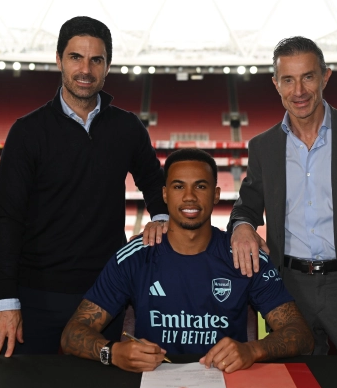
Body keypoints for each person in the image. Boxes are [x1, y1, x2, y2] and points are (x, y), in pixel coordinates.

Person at [0, 16, 169, 357]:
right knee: (32, 384)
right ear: (59, 60)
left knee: (102, 385)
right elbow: (7, 220)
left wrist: (161, 216)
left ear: (107, 66)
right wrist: (5, 300)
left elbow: (155, 182)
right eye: (75, 57)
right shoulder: (27, 132)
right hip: (38, 294)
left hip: (105, 294)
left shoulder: (127, 127)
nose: (85, 69)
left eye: (96, 60)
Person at [61, 149, 313, 372]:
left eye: (200, 186)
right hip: (153, 384)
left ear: (216, 194)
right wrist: (113, 353)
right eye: (178, 187)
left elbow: (301, 334)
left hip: (224, 382)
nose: (190, 197)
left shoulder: (244, 256)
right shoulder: (135, 257)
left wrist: (252, 350)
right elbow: (72, 334)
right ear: (165, 194)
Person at [229, 36, 337, 356]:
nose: (299, 91)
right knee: (295, 380)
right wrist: (242, 226)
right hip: (289, 289)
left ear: (325, 77)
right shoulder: (263, 147)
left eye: (308, 77)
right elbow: (247, 204)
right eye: (288, 80)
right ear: (276, 84)